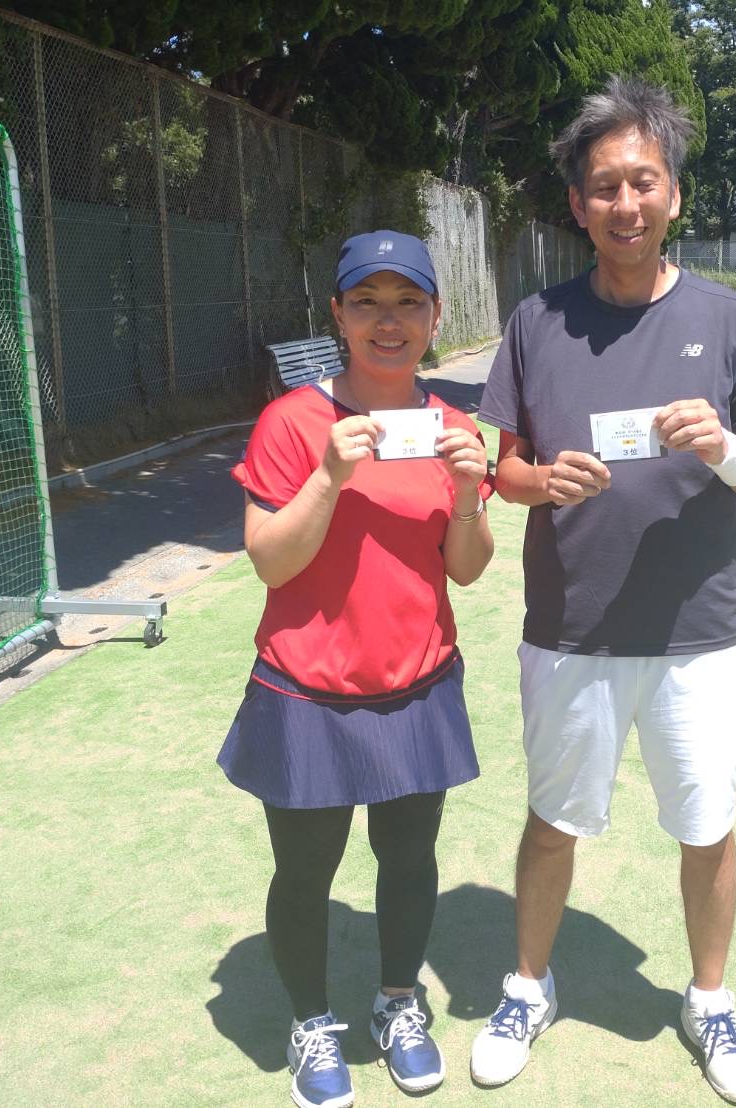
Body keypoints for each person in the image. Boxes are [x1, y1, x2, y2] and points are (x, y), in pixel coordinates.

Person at [469, 77, 736, 1106]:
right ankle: (528, 985)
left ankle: (708, 998)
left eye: (642, 181)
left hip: (700, 634)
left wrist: (725, 448)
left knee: (705, 826)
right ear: (577, 204)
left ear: (673, 194)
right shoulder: (535, 321)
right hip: (570, 630)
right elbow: (502, 469)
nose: (625, 203)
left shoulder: (728, 318)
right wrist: (541, 482)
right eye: (604, 186)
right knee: (551, 820)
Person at [219, 230, 494, 1107]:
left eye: (407, 302)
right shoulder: (293, 422)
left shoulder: (454, 428)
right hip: (307, 687)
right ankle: (310, 1020)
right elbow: (271, 562)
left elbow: (467, 568)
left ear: (434, 316)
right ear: (337, 314)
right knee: (306, 870)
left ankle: (397, 1002)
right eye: (367, 303)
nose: (388, 321)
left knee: (408, 858)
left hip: (417, 680)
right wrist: (329, 476)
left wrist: (467, 492)